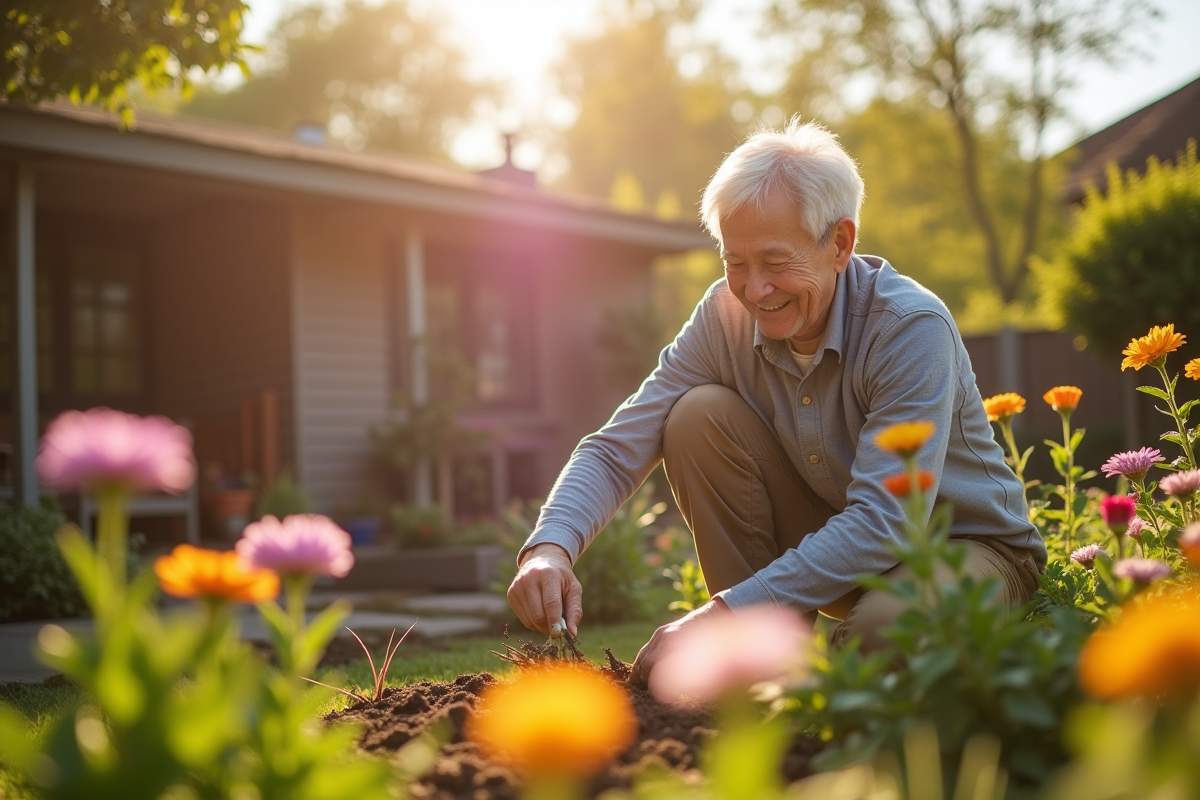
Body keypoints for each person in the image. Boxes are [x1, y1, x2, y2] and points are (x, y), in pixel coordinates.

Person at [507, 118, 1045, 687]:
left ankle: (767, 658)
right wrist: (549, 548)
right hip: (842, 543)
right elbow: (618, 447)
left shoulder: (908, 328)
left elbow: (888, 522)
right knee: (694, 417)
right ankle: (755, 673)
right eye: (734, 262)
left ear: (839, 243)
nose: (754, 289)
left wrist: (722, 616)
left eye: (774, 261)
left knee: (882, 638)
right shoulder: (724, 317)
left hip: (962, 549)